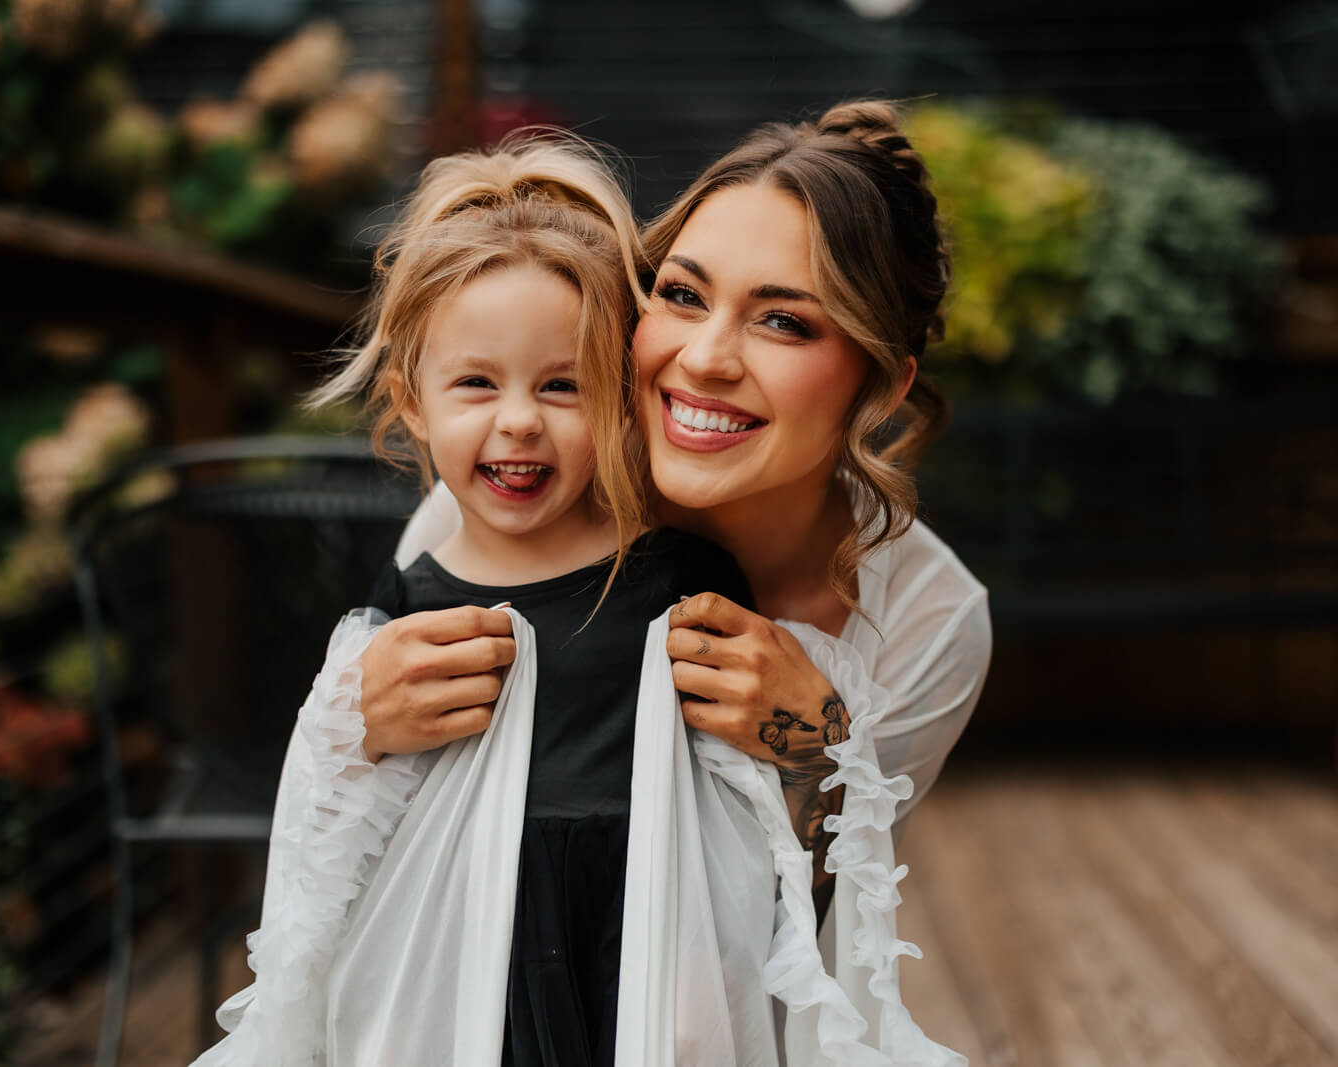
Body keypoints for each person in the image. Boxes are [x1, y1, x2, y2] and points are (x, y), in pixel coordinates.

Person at [369, 98, 992, 1047]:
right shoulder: (515, 491)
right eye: (682, 293)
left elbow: (807, 936)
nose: (703, 359)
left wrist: (820, 746)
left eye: (784, 321)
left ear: (881, 382)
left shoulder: (929, 620)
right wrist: (357, 719)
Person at [192, 133, 773, 1067]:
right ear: (410, 402)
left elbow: (739, 810)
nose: (517, 420)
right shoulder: (408, 603)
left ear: (621, 402)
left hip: (631, 958)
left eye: (562, 385)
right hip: (458, 970)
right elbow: (345, 808)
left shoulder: (675, 581)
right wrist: (361, 727)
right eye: (475, 383)